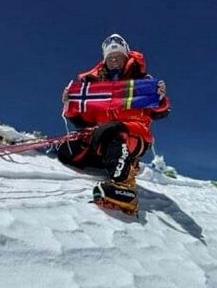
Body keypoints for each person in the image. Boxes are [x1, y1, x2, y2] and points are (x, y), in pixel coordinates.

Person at [59, 33, 170, 212]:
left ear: (126, 57)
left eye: (118, 57)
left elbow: (161, 112)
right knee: (67, 150)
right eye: (110, 58)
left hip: (135, 135)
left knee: (112, 131)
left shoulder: (142, 82)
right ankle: (116, 162)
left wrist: (160, 98)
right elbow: (83, 121)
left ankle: (123, 186)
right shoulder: (96, 87)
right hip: (101, 136)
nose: (114, 61)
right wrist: (70, 103)